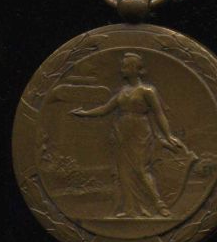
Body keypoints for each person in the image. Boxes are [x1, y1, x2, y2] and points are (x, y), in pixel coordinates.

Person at [72, 52, 188, 218]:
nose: (122, 69)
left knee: (141, 169)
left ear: (135, 69)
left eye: (125, 66)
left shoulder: (147, 91)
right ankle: (130, 209)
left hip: (140, 131)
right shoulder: (123, 91)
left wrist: (168, 135)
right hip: (122, 132)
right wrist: (84, 113)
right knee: (124, 172)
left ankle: (159, 205)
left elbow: (159, 114)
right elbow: (105, 109)